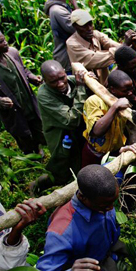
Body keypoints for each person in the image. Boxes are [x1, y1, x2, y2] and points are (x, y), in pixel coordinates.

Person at [30, 165, 134, 271]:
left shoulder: (103, 191)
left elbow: (116, 169)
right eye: (104, 206)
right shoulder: (62, 231)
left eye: (114, 202)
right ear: (84, 198)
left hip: (114, 261)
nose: (111, 208)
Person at [0, 27, 46, 154]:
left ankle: (41, 148)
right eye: (1, 42)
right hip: (14, 113)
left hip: (29, 104)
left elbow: (23, 70)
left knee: (40, 129)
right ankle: (32, 156)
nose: (6, 43)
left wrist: (32, 77)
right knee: (24, 137)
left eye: (4, 40)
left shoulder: (12, 53)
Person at [33, 60, 88, 194]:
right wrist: (81, 89)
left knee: (79, 163)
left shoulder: (72, 81)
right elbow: (71, 120)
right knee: (61, 169)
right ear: (44, 81)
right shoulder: (44, 95)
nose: (60, 84)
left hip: (78, 132)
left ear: (64, 71)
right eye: (53, 82)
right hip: (60, 135)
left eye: (62, 78)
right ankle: (37, 185)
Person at [80, 66, 136, 168]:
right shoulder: (94, 101)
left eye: (131, 89)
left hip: (116, 152)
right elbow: (97, 131)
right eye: (125, 90)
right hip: (95, 154)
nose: (130, 93)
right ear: (112, 89)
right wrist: (115, 107)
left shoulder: (125, 101)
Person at [65, 9, 132, 86]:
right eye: (84, 26)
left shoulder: (95, 34)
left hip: (103, 82)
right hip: (87, 87)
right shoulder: (72, 44)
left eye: (90, 24)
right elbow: (95, 59)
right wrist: (124, 47)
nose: (89, 28)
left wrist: (130, 45)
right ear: (75, 26)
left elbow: (111, 43)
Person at [44, 0, 79, 71]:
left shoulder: (59, 8)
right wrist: (75, 5)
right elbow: (79, 26)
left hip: (69, 54)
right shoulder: (58, 10)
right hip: (67, 56)